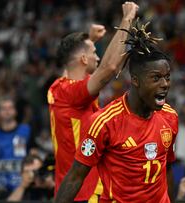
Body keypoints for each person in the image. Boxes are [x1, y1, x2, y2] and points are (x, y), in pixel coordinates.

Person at [55, 20, 178, 203]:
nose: (165, 84)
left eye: (167, 78)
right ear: (135, 81)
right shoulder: (105, 122)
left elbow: (166, 168)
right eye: (156, 78)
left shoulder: (170, 117)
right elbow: (75, 177)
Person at [47, 2, 138, 202]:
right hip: (84, 193)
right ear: (83, 59)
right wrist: (127, 19)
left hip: (69, 192)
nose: (97, 56)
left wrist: (90, 39)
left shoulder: (57, 87)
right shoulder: (73, 94)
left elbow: (71, 63)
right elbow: (110, 67)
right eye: (93, 52)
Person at [0, 97, 32, 198]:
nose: (7, 111)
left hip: (22, 189)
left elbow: (34, 158)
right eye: (3, 108)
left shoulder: (26, 130)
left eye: (10, 108)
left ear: (15, 111)